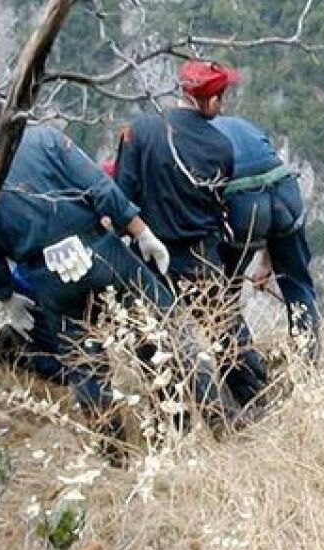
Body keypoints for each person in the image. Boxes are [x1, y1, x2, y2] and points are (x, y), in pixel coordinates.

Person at [0, 82, 236, 437]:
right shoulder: (44, 138)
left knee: (85, 366)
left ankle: (115, 449)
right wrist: (140, 231)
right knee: (166, 329)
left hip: (48, 276)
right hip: (100, 251)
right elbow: (100, 188)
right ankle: (217, 419)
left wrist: (5, 295)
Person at [114, 60, 269, 409]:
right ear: (210, 101)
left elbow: (122, 198)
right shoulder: (220, 147)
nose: (223, 103)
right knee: (225, 331)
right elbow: (219, 206)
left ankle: (174, 416)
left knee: (152, 341)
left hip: (150, 256)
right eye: (221, 96)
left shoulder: (139, 131)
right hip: (201, 257)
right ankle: (256, 403)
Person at [212, 115, 320, 361]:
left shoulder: (199, 136)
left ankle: (249, 373)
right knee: (298, 288)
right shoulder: (244, 125)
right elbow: (269, 189)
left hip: (243, 205)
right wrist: (266, 263)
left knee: (222, 296)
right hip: (285, 192)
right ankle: (308, 367)